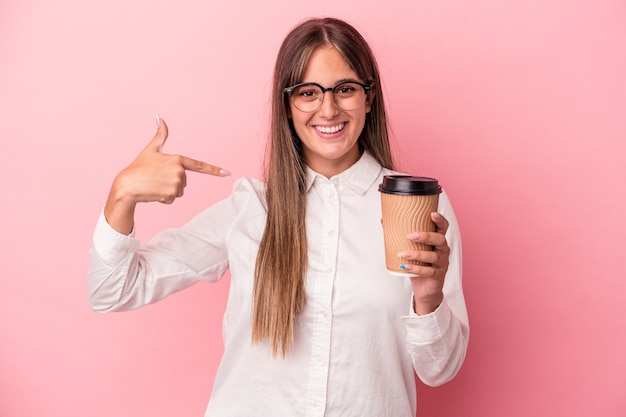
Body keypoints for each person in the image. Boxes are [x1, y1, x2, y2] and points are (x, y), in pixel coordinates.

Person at [87, 17, 469, 417]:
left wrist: (428, 299)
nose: (329, 108)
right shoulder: (250, 209)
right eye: (308, 92)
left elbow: (440, 370)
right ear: (287, 105)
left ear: (369, 97)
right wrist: (122, 195)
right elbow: (112, 289)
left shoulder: (422, 207)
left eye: (345, 89)